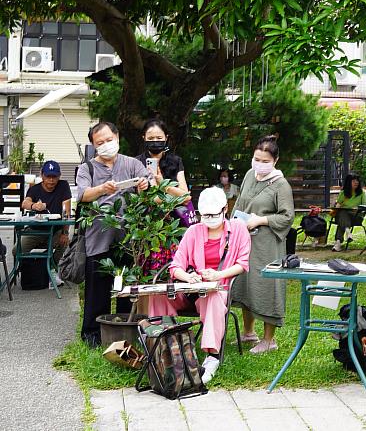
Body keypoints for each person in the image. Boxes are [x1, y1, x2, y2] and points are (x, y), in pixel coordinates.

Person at [148, 187, 250, 383]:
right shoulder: (194, 231)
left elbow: (242, 264)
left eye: (213, 214)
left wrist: (218, 275)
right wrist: (187, 277)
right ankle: (162, 344)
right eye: (204, 215)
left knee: (211, 296)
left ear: (224, 210)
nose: (208, 219)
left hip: (218, 289)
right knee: (159, 294)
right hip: (191, 288)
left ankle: (211, 356)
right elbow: (176, 266)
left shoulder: (238, 230)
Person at [75, 122, 149, 347]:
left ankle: (124, 331)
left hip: (130, 238)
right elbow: (83, 195)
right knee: (98, 287)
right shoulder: (86, 168)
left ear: (117, 137)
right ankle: (93, 335)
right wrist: (102, 189)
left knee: (126, 288)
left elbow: (150, 185)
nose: (106, 145)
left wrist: (145, 184)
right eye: (100, 143)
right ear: (93, 145)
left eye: (109, 140)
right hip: (98, 236)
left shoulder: (133, 163)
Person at [230, 136, 295, 354]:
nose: (259, 163)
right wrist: (232, 224)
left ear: (275, 160)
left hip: (267, 243)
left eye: (265, 160)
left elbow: (287, 217)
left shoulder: (280, 184)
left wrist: (261, 220)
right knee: (245, 282)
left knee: (267, 286)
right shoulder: (250, 175)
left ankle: (269, 340)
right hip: (245, 238)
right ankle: (249, 332)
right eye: (256, 158)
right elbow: (239, 202)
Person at [21, 160, 72, 261]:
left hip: (55, 230)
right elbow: (24, 203)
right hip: (36, 230)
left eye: (54, 177)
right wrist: (34, 206)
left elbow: (67, 211)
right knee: (17, 250)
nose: (51, 180)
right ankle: (30, 270)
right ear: (42, 175)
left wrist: (65, 233)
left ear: (59, 176)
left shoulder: (63, 186)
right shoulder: (35, 189)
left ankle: (51, 267)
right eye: (48, 176)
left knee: (64, 242)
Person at [134, 119, 189, 200]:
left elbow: (186, 196)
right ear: (144, 138)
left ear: (166, 138)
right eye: (150, 138)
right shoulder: (136, 162)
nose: (155, 141)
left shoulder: (176, 161)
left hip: (173, 211)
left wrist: (163, 184)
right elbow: (139, 196)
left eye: (159, 138)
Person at [332, 174, 366, 252]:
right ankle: (347, 232)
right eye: (354, 181)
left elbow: (364, 206)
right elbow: (338, 205)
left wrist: (357, 208)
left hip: (356, 216)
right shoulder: (343, 193)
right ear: (348, 182)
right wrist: (338, 206)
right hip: (343, 216)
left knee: (342, 218)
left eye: (357, 181)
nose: (356, 183)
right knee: (343, 213)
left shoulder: (361, 193)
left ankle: (338, 242)